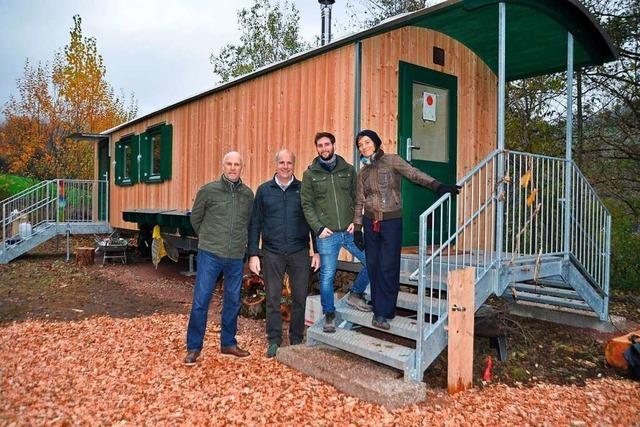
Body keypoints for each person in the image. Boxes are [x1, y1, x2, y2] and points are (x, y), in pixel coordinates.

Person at [353, 130, 460, 330]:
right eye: (360, 144)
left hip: (391, 222)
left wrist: (437, 186)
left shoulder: (392, 160)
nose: (364, 146)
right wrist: (357, 227)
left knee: (388, 266)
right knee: (374, 266)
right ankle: (380, 310)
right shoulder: (363, 172)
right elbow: (360, 200)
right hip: (370, 222)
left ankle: (384, 312)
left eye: (367, 142)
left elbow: (413, 173)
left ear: (375, 142)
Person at [248, 149, 321, 358]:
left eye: (289, 163)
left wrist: (316, 251)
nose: (285, 166)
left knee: (299, 296)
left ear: (294, 165)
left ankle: (297, 338)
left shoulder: (303, 189)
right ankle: (274, 339)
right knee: (272, 297)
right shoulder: (264, 190)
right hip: (272, 252)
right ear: (276, 164)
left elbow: (312, 221)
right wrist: (253, 253)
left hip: (299, 251)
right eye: (282, 162)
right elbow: (255, 224)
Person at [184, 151, 255, 365]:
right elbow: (196, 220)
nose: (233, 168)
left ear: (242, 167)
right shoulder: (208, 191)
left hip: (235, 256)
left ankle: (228, 343)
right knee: (201, 300)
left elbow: (249, 224)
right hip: (210, 254)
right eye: (229, 164)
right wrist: (209, 239)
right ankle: (194, 346)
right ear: (223, 166)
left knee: (232, 301)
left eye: (237, 164)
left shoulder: (247, 195)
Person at [301, 132, 371, 334]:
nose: (324, 148)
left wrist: (356, 222)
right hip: (327, 234)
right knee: (327, 276)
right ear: (317, 148)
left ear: (333, 145)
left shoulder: (348, 171)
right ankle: (329, 314)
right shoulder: (310, 174)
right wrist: (319, 227)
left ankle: (355, 293)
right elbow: (307, 204)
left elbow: (359, 198)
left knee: (371, 261)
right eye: (320, 145)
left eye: (327, 144)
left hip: (350, 232)